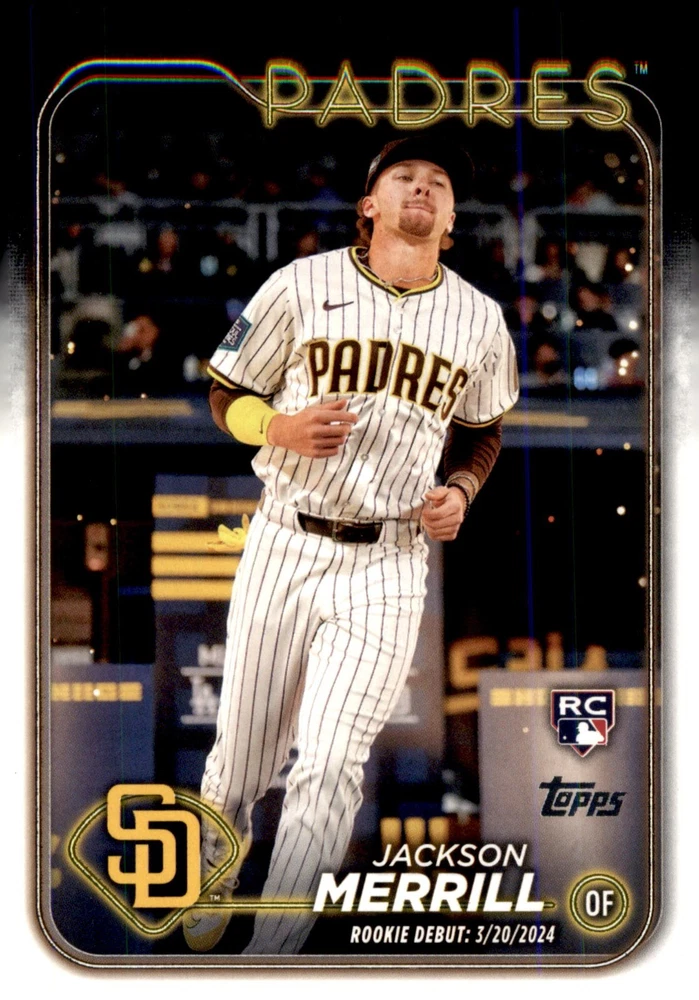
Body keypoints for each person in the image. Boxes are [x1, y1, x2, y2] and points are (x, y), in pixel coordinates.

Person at [183, 136, 519, 955]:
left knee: (331, 764)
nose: (422, 187)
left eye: (437, 182)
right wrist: (278, 427)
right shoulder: (301, 283)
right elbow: (226, 391)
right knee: (242, 761)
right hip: (286, 540)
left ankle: (272, 958)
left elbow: (482, 431)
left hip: (390, 559)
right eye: (404, 177)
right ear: (370, 205)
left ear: (450, 216)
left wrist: (461, 492)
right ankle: (214, 872)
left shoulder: (478, 317)